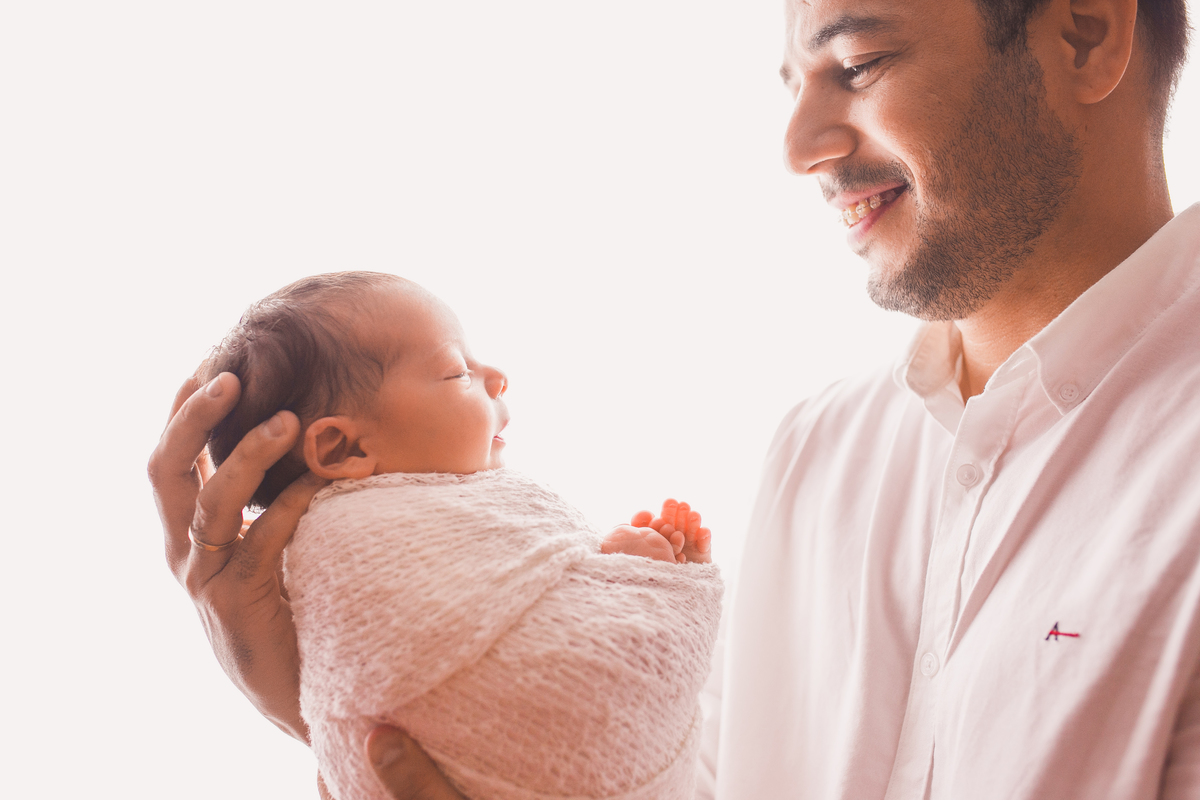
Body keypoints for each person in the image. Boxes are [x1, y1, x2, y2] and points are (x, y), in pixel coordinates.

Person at [148, 0, 1198, 795]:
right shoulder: (818, 454)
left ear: (1087, 34)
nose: (798, 147)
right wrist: (335, 707)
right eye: (791, 83)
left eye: (857, 63)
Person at [193, 271, 721, 800]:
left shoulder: (462, 513)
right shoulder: (351, 538)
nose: (496, 376)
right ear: (341, 450)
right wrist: (632, 575)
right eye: (455, 372)